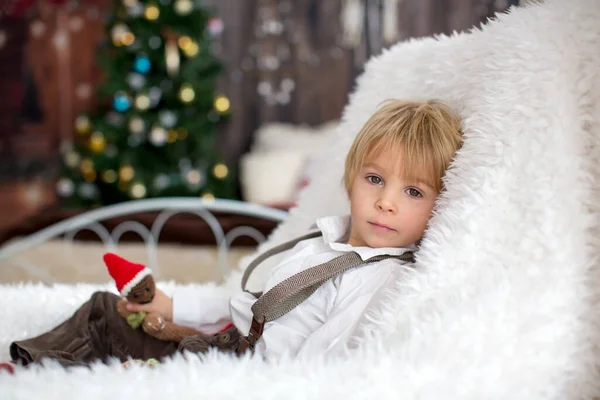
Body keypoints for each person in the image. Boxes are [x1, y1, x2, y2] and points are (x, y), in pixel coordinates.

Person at [6, 99, 463, 369]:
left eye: (413, 191)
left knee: (132, 351)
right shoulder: (323, 242)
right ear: (351, 179)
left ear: (440, 204)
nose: (387, 202)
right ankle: (30, 368)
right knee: (106, 310)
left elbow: (323, 363)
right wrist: (173, 306)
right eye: (375, 180)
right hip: (220, 342)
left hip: (237, 370)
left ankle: (81, 375)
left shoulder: (380, 278)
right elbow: (243, 303)